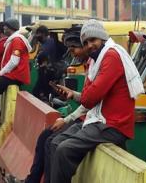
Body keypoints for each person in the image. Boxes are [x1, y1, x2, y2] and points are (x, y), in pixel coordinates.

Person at [50, 19, 145, 183]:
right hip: (98, 121)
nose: (89, 46)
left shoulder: (111, 57)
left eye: (93, 40)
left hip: (112, 125)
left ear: (102, 38)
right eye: (85, 42)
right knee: (55, 142)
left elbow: (89, 98)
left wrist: (84, 94)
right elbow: (89, 96)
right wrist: (79, 94)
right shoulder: (96, 60)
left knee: (64, 150)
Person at [25, 27, 89, 183]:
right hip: (84, 117)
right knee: (44, 137)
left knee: (52, 143)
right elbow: (88, 99)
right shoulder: (89, 64)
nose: (72, 52)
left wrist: (67, 119)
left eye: (74, 48)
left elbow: (91, 101)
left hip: (90, 120)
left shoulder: (98, 64)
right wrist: (71, 94)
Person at [33, 25, 61, 100]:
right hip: (46, 70)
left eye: (38, 33)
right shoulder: (47, 42)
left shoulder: (49, 42)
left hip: (47, 71)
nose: (36, 36)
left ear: (43, 34)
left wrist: (40, 59)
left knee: (37, 92)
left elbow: (43, 54)